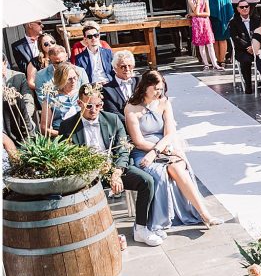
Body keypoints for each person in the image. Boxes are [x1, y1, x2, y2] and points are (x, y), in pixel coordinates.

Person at [58, 84, 159, 247]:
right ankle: (98, 235)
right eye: (89, 105)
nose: (93, 109)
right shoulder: (68, 126)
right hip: (87, 173)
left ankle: (141, 228)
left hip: (113, 168)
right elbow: (67, 158)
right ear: (79, 103)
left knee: (147, 181)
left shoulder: (112, 119)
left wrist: (116, 173)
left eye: (98, 105)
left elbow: (124, 151)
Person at [125, 70, 223, 231]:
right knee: (161, 173)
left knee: (177, 167)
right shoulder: (132, 108)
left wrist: (159, 151)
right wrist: (154, 152)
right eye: (156, 88)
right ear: (145, 87)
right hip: (143, 151)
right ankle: (165, 217)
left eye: (161, 88)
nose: (159, 92)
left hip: (165, 147)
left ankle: (205, 214)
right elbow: (139, 142)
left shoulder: (164, 102)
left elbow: (170, 133)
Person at [202, 0, 233, 67]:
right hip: (209, 19)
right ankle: (216, 60)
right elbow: (199, 4)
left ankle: (222, 60)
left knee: (222, 39)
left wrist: (229, 16)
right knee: (213, 40)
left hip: (222, 19)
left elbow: (228, 4)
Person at [39, 62, 80, 136]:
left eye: (75, 78)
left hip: (81, 134)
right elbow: (44, 129)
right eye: (69, 79)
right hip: (61, 136)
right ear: (61, 80)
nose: (73, 81)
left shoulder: (83, 95)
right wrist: (63, 135)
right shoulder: (51, 98)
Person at [229, 0, 260, 94]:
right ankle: (248, 85)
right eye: (242, 7)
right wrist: (248, 47)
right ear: (238, 9)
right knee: (245, 61)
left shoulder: (257, 20)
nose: (244, 8)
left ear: (249, 8)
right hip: (242, 50)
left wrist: (255, 47)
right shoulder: (234, 22)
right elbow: (236, 38)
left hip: (257, 48)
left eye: (246, 6)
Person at [188, 0, 220, 71]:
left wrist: (192, 14)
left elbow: (208, 13)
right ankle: (206, 64)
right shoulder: (191, 0)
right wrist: (197, 2)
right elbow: (196, 11)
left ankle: (215, 63)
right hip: (197, 24)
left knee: (210, 44)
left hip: (205, 23)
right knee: (201, 45)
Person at [2, 56, 35, 144]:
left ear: (5, 63)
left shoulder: (18, 77)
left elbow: (28, 101)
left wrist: (25, 117)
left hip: (21, 120)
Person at [101, 50, 137, 123]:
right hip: (123, 126)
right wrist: (132, 124)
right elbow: (113, 113)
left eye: (129, 66)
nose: (127, 69)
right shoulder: (107, 89)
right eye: (123, 67)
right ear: (115, 68)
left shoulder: (140, 82)